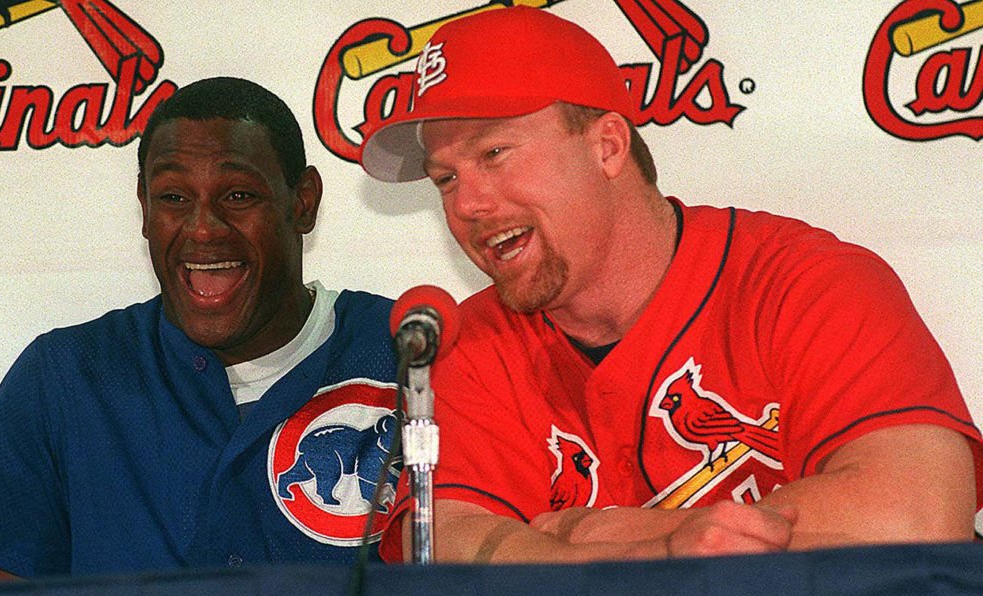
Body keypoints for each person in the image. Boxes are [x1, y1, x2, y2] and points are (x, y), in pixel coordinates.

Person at [359, 7, 982, 563]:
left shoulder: (804, 284)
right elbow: (443, 543)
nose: (467, 202)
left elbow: (916, 515)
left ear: (607, 146)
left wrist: (591, 535)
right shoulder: (470, 342)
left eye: (494, 154)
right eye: (444, 179)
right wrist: (663, 548)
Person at [0, 77, 401, 582]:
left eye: (237, 195)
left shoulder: (407, 356)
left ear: (302, 202)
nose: (203, 228)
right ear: (145, 208)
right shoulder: (63, 379)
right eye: (173, 197)